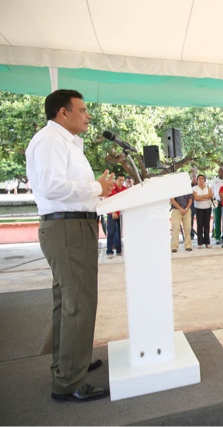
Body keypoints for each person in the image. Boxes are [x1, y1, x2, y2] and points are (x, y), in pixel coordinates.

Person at [26, 89, 114, 401]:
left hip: (73, 225)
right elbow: (52, 186)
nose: (87, 115)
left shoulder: (67, 143)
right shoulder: (51, 141)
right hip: (67, 227)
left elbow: (69, 187)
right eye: (82, 109)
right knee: (79, 301)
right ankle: (69, 382)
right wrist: (95, 187)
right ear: (63, 113)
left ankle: (70, 363)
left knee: (68, 300)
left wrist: (99, 191)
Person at [106, 174, 127, 259]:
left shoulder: (125, 189)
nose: (121, 182)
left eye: (123, 180)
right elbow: (107, 201)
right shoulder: (111, 188)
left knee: (119, 233)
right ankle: (109, 251)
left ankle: (119, 251)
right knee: (111, 232)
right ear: (116, 180)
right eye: (120, 180)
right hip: (112, 213)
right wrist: (112, 212)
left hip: (121, 213)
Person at [192, 174, 213, 249]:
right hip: (198, 208)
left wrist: (201, 196)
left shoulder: (208, 187)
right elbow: (196, 198)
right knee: (200, 225)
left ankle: (207, 242)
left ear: (204, 180)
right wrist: (204, 196)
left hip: (207, 207)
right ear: (197, 180)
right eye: (199, 178)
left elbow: (210, 195)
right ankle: (200, 242)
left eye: (202, 178)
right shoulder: (195, 188)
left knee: (207, 225)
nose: (201, 180)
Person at [211, 167, 223, 244]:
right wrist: (213, 201)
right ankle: (217, 237)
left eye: (222, 171)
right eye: (219, 171)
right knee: (216, 220)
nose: (221, 172)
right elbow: (212, 192)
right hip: (216, 201)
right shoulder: (214, 181)